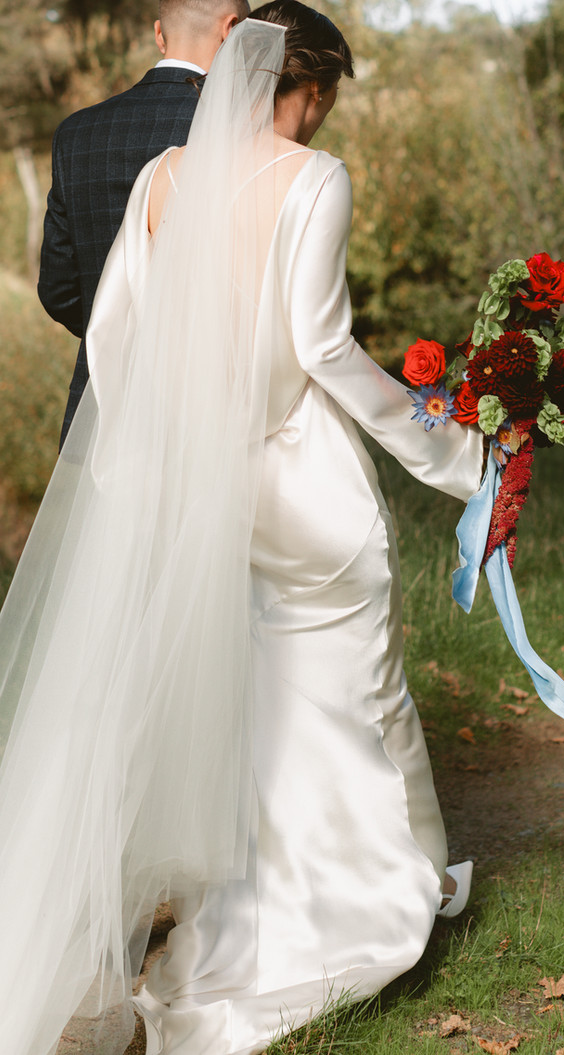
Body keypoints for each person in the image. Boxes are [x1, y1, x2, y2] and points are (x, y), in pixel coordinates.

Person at [0, 5, 482, 1054]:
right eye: (325, 97)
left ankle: (249, 907)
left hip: (192, 486)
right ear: (300, 88)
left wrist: (162, 465)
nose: (323, 118)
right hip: (294, 479)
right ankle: (370, 888)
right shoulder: (315, 178)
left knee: (250, 704)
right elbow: (324, 347)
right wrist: (449, 451)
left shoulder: (162, 179)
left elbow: (118, 334)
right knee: (350, 679)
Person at [37, 0, 251, 447]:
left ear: (160, 34)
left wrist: (115, 328)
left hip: (98, 411)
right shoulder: (247, 134)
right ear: (232, 31)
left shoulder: (76, 132)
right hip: (208, 419)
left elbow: (58, 288)